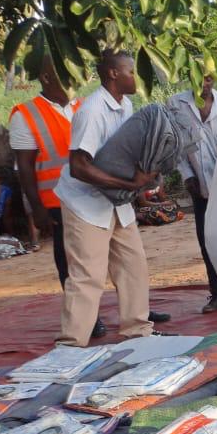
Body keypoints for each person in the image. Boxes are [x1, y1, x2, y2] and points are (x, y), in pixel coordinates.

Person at [54, 50, 159, 346]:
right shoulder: (92, 111)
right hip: (86, 204)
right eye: (131, 71)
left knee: (133, 265)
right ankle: (71, 344)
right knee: (88, 275)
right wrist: (128, 182)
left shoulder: (126, 104)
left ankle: (138, 331)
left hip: (115, 200)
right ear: (113, 73)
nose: (135, 77)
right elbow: (78, 166)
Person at [169, 75, 217, 314]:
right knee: (207, 240)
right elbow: (177, 146)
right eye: (198, 76)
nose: (204, 82)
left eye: (209, 77)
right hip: (200, 187)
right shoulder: (176, 105)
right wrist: (186, 175)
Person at [9, 56, 81, 300]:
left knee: (112, 255)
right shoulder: (25, 114)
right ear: (46, 78)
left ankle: (131, 307)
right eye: (66, 72)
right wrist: (36, 209)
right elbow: (24, 168)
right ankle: (85, 317)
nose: (73, 79)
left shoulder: (83, 107)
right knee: (68, 260)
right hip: (56, 203)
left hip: (93, 196)